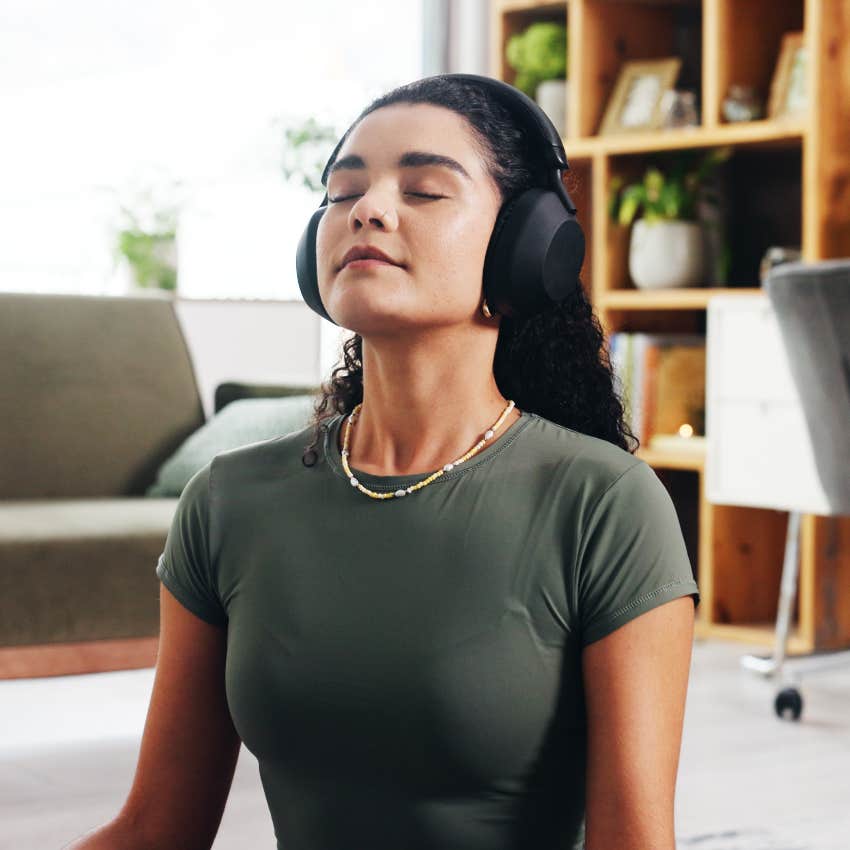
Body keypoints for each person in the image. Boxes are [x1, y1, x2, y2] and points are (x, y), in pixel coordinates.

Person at [64, 74, 700, 850]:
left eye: (426, 190)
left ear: (527, 245)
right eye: (342, 192)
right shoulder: (227, 501)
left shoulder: (605, 505)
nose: (367, 208)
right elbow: (154, 828)